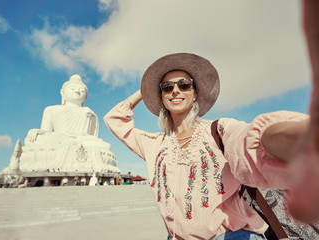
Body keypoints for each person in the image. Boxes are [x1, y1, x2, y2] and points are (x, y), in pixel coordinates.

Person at [104, 2, 319, 239]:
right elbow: (114, 119)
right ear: (162, 97)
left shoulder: (220, 131)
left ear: (195, 93)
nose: (175, 91)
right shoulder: (154, 144)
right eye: (167, 87)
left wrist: (300, 137)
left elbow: (250, 144)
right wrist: (145, 89)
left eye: (184, 85)